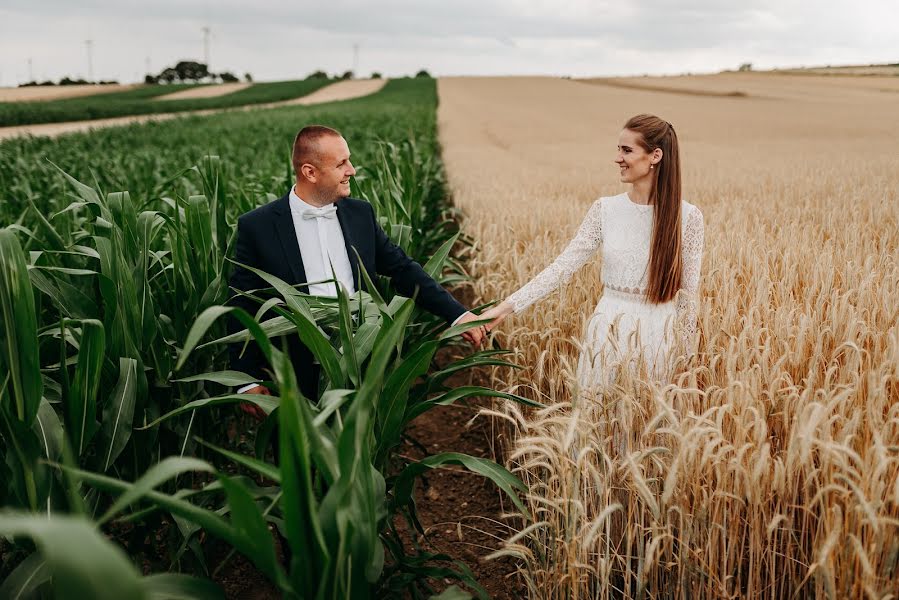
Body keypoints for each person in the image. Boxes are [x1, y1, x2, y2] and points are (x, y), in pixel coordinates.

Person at [229, 125, 485, 416]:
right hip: (293, 370)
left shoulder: (360, 214)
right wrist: (245, 379)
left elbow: (402, 268)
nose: (352, 170)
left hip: (362, 359)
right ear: (310, 172)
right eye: (341, 164)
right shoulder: (258, 226)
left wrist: (458, 314)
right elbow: (243, 301)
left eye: (348, 160)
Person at [480, 114, 704, 388]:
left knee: (649, 427)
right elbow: (562, 268)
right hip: (606, 334)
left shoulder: (688, 217)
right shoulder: (604, 210)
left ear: (655, 155)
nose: (618, 158)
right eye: (618, 149)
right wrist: (505, 308)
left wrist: (687, 361)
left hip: (660, 339)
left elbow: (688, 298)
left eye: (627, 150)